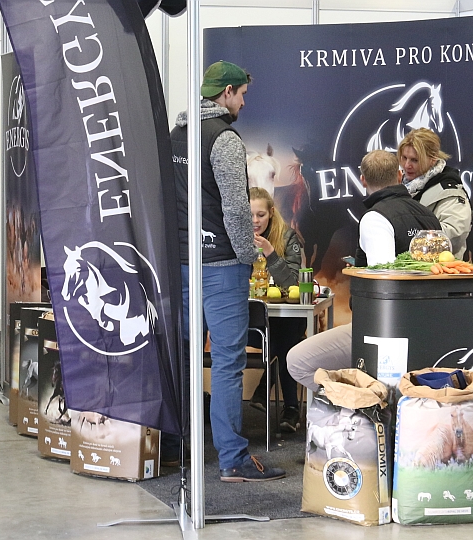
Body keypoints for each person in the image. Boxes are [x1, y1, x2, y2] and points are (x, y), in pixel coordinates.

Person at [167, 60, 284, 482]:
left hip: (181, 262)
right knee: (228, 361)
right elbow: (236, 208)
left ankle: (174, 448)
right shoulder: (224, 139)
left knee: (183, 356)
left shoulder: (176, 134)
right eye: (243, 95)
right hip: (220, 265)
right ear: (228, 92)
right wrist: (248, 255)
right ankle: (233, 459)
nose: (244, 103)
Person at [286, 150, 441, 391]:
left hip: (384, 331)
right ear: (399, 176)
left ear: (362, 180)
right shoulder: (428, 216)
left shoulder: (375, 218)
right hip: (429, 328)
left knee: (297, 362)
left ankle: (359, 404)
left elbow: (384, 284)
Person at [248, 187, 307, 432]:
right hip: (251, 322)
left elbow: (292, 282)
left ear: (271, 212)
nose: (255, 221)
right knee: (284, 340)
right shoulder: (237, 236)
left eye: (260, 215)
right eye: (250, 215)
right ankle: (290, 409)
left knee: (286, 335)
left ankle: (265, 391)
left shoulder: (287, 236)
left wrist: (270, 253)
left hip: (283, 320)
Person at [397, 128, 472, 259]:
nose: (407, 165)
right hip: (404, 267)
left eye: (415, 160)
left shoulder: (450, 192)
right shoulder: (398, 186)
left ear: (433, 159)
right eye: (404, 158)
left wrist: (409, 235)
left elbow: (455, 233)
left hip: (439, 269)